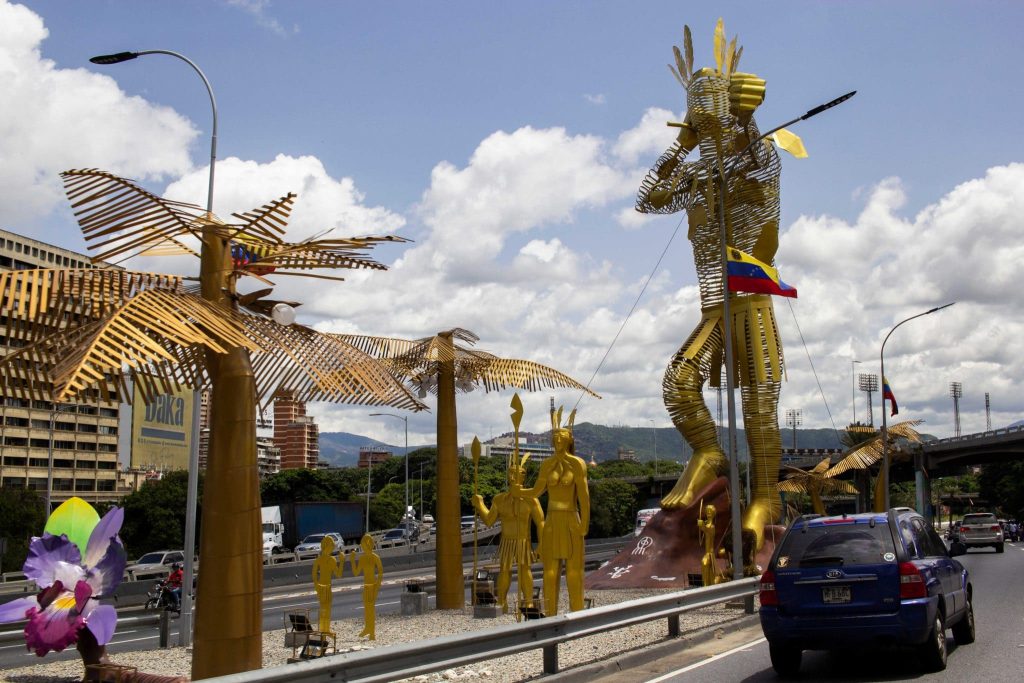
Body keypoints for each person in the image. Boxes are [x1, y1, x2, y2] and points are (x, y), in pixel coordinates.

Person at [635, 20, 788, 560]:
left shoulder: (755, 155)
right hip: (713, 307)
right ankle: (711, 455)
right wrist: (682, 144)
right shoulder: (698, 175)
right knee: (679, 383)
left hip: (751, 303)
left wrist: (744, 127)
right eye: (692, 107)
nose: (700, 112)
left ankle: (767, 499)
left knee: (759, 406)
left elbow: (766, 179)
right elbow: (646, 199)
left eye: (709, 104)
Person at [526, 408, 590, 616]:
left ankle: (577, 612)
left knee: (573, 572)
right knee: (549, 572)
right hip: (553, 519)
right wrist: (519, 491)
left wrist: (585, 524)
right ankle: (550, 615)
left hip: (571, 518)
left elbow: (584, 496)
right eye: (555, 436)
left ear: (569, 438)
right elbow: (537, 490)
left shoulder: (577, 464)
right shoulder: (547, 464)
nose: (557, 439)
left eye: (561, 435)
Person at [472, 454, 545, 614]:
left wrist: (541, 545)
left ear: (523, 476)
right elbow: (489, 520)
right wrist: (480, 505)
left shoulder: (531, 500)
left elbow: (541, 523)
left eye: (515, 473)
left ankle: (528, 602)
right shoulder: (500, 499)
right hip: (506, 540)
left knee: (525, 570)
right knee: (504, 570)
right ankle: (502, 601)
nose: (512, 476)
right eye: (510, 473)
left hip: (523, 540)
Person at [348, 534, 383, 640]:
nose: (362, 547)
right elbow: (356, 572)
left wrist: (377, 585)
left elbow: (380, 571)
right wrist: (352, 561)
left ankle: (372, 632)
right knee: (367, 609)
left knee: (371, 609)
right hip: (366, 586)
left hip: (372, 586)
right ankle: (367, 628)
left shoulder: (374, 557)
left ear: (368, 545)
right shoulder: (363, 558)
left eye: (363, 545)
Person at [311, 535, 343, 633]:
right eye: (331, 547)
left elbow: (338, 574)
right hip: (322, 587)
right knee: (324, 609)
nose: (332, 549)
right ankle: (323, 629)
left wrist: (341, 562)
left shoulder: (330, 560)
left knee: (326, 609)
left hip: (326, 587)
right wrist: (316, 586)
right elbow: (314, 574)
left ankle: (325, 629)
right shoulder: (321, 560)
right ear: (326, 546)